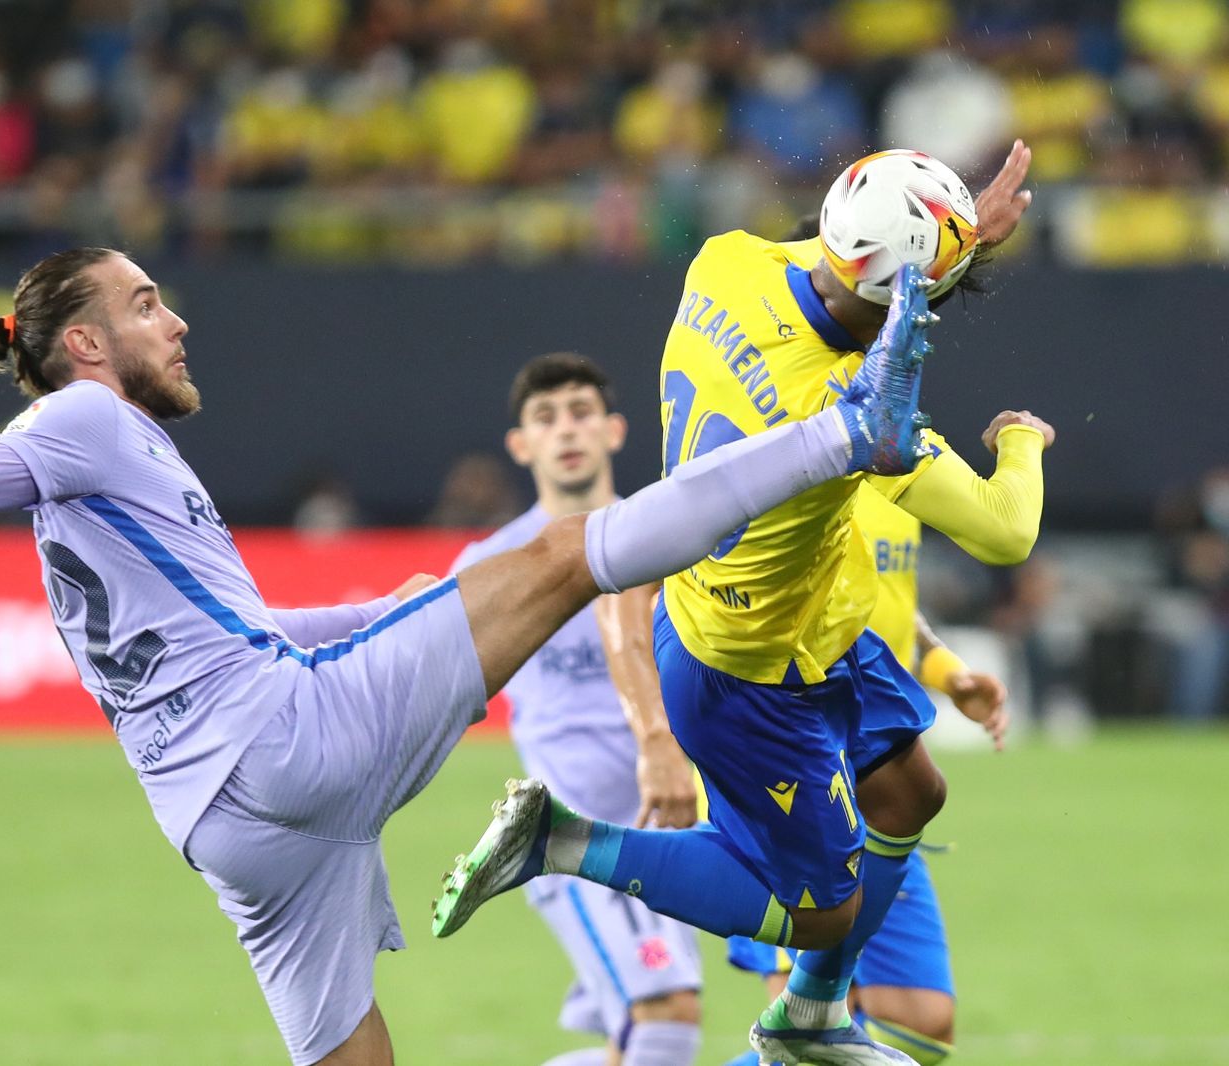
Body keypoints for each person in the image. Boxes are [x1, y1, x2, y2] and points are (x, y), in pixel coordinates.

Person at [0, 245, 934, 1066]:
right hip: (286, 745)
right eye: (146, 302)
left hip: (224, 824)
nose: (177, 317)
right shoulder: (76, 424)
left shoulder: (106, 483)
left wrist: (381, 613)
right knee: (566, 551)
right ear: (85, 345)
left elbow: (235, 631)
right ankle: (844, 429)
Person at [431, 144, 1046, 1066]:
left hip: (793, 620)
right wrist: (1025, 444)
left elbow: (851, 277)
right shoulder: (855, 422)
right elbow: (1005, 531)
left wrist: (951, 248)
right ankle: (563, 843)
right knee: (820, 912)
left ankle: (816, 1016)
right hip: (753, 674)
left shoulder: (723, 260)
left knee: (913, 791)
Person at [721, 470, 1023, 1066]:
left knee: (922, 1026)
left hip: (876, 791)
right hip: (790, 783)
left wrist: (944, 670)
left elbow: (883, 604)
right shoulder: (800, 465)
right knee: (803, 1032)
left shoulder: (906, 472)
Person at [453, 353, 706, 1066]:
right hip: (579, 840)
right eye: (545, 417)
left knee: (638, 1041)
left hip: (676, 831)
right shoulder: (491, 564)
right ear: (521, 446)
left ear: (616, 430)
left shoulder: (664, 536)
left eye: (581, 412)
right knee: (667, 1020)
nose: (566, 429)